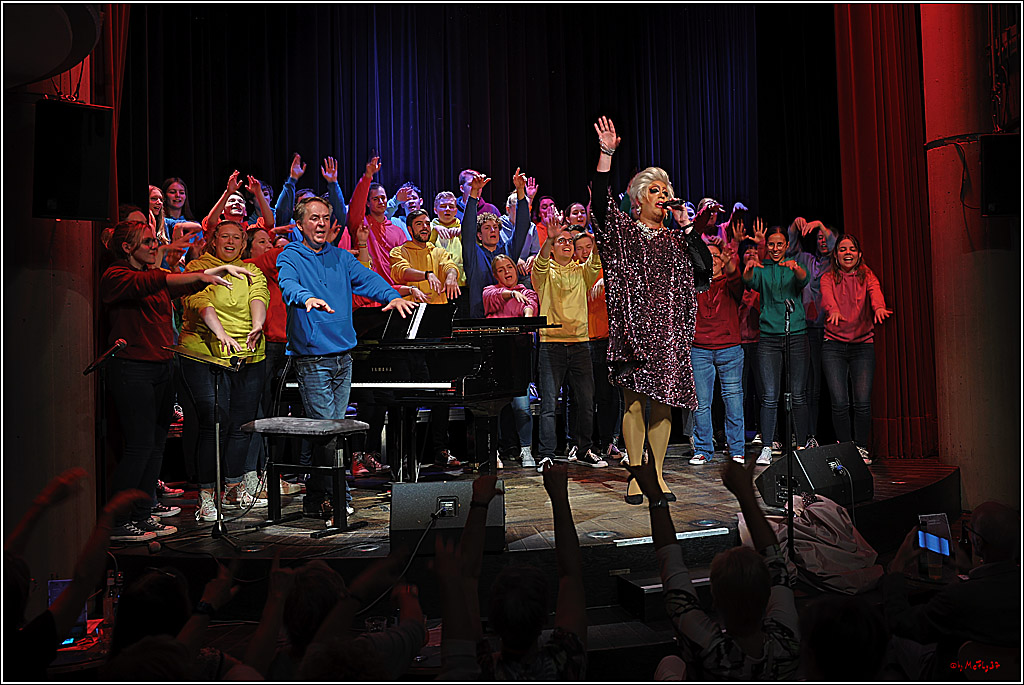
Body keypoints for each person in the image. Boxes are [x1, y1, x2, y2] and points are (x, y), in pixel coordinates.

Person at [101, 220, 254, 537]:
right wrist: (200, 273)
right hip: (133, 369)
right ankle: (116, 521)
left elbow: (177, 286)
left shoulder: (147, 276)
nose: (154, 245)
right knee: (139, 446)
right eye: (147, 242)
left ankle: (143, 513)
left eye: (155, 240)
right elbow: (156, 283)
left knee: (155, 446)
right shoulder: (117, 276)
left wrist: (215, 273)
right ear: (127, 248)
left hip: (160, 366)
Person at [590, 116, 715, 503]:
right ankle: (635, 474)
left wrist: (688, 224)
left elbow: (703, 269)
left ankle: (657, 474)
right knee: (634, 403)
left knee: (665, 405)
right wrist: (607, 153)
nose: (663, 196)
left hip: (671, 335)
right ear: (640, 197)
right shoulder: (621, 231)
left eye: (667, 191)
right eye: (655, 191)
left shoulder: (678, 239)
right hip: (634, 332)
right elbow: (598, 199)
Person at [278, 196, 417, 520]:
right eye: (314, 218)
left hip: (344, 357)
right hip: (313, 358)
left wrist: (393, 296)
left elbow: (368, 280)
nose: (321, 223)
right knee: (330, 431)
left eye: (325, 218)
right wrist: (306, 297)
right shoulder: (292, 256)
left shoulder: (340, 257)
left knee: (330, 431)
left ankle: (317, 498)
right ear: (300, 224)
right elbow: (287, 285)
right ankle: (339, 494)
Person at [627, 457, 800, 680]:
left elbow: (671, 566)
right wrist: (746, 495)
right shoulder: (787, 638)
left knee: (670, 663)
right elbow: (775, 561)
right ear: (768, 595)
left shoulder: (708, 647)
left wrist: (656, 499)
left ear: (714, 600)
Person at [437, 467, 588, 680]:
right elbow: (571, 574)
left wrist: (479, 503)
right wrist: (559, 497)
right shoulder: (566, 664)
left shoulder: (474, 671)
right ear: (545, 618)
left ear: (493, 621)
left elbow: (467, 578)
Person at [5, 478, 149, 681]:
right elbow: (84, 579)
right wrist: (108, 515)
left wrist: (42, 504)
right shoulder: (24, 650)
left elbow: (8, 558)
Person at [179, 220, 269, 521]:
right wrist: (219, 333)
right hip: (205, 354)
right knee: (214, 422)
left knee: (243, 424)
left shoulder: (252, 270)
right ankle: (206, 495)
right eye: (224, 237)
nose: (230, 242)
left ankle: (233, 487)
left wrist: (257, 326)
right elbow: (200, 302)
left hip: (248, 352)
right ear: (213, 240)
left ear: (243, 243)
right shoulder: (199, 266)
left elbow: (259, 297)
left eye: (237, 238)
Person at [884, 501, 1021, 678]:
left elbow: (901, 622)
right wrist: (967, 573)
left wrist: (896, 570)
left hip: (953, 672)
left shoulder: (958, 597)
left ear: (978, 543)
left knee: (896, 640)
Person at [389, 208, 462, 468]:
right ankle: (406, 454)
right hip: (409, 335)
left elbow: (449, 265)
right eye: (418, 224)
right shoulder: (401, 251)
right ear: (410, 228)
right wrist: (426, 275)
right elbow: (399, 272)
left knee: (441, 396)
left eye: (425, 224)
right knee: (408, 397)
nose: (423, 227)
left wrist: (450, 276)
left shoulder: (437, 250)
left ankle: (440, 449)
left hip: (437, 333)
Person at [532, 216, 605, 471]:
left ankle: (584, 449)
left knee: (586, 401)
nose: (566, 245)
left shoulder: (582, 271)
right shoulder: (543, 272)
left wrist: (594, 231)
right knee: (549, 404)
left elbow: (595, 258)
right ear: (552, 247)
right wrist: (550, 237)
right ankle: (546, 454)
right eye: (560, 242)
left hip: (579, 344)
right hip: (551, 345)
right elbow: (540, 264)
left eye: (569, 242)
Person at [741, 224, 811, 465]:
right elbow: (750, 281)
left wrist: (795, 269)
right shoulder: (763, 268)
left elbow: (804, 279)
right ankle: (768, 447)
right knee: (770, 396)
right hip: (769, 338)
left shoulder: (793, 266)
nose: (775, 248)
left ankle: (801, 444)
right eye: (771, 244)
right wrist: (750, 269)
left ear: (786, 245)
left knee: (798, 395)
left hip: (796, 334)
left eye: (779, 244)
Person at [820, 234, 892, 464]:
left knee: (861, 401)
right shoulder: (828, 277)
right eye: (842, 249)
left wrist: (879, 307)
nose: (847, 253)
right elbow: (827, 297)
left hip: (862, 345)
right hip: (834, 345)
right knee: (840, 401)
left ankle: (861, 447)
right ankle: (845, 448)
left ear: (859, 254)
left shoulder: (867, 275)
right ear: (836, 254)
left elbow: (875, 292)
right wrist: (832, 310)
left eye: (852, 249)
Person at [690, 240, 747, 465]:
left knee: (733, 401)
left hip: (729, 349)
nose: (712, 260)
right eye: (708, 256)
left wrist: (730, 263)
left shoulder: (730, 283)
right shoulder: (693, 283)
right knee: (701, 404)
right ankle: (703, 449)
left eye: (716, 256)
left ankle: (737, 451)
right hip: (700, 350)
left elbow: (736, 279)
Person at [484, 254, 539, 467]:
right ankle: (492, 452)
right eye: (501, 269)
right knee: (492, 408)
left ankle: (526, 450)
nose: (507, 272)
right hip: (495, 356)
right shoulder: (489, 291)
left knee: (522, 407)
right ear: (495, 274)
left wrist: (526, 315)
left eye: (509, 267)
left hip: (518, 356)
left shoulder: (528, 293)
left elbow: (530, 308)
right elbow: (496, 297)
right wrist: (511, 294)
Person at [461, 168, 532, 319]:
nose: (493, 230)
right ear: (479, 235)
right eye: (487, 228)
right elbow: (467, 229)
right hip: (481, 318)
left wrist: (520, 191)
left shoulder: (507, 251)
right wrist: (474, 193)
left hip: (509, 316)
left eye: (495, 227)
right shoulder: (474, 254)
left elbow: (523, 226)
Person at [794, 223, 837, 448]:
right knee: (810, 385)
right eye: (818, 237)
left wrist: (820, 224)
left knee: (832, 386)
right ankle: (809, 434)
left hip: (830, 331)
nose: (822, 240)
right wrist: (794, 225)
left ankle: (839, 437)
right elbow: (790, 245)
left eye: (825, 237)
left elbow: (833, 245)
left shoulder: (836, 263)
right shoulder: (807, 260)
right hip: (808, 329)